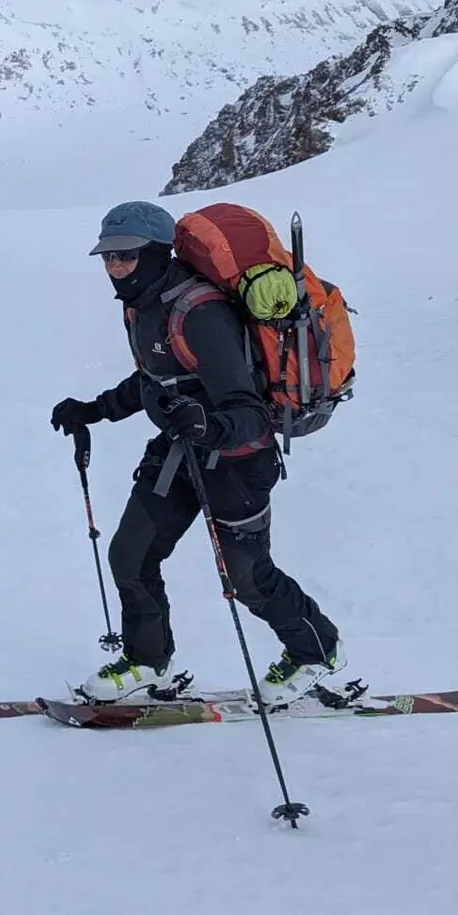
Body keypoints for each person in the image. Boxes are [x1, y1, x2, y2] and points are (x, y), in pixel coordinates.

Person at [50, 200, 347, 709]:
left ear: (157, 252)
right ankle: (148, 660)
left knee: (247, 578)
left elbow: (248, 412)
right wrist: (94, 410)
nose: (114, 266)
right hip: (178, 452)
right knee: (131, 555)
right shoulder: (141, 305)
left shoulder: (200, 312)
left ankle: (316, 651)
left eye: (126, 255)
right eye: (108, 257)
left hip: (238, 460)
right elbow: (156, 377)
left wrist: (211, 425)